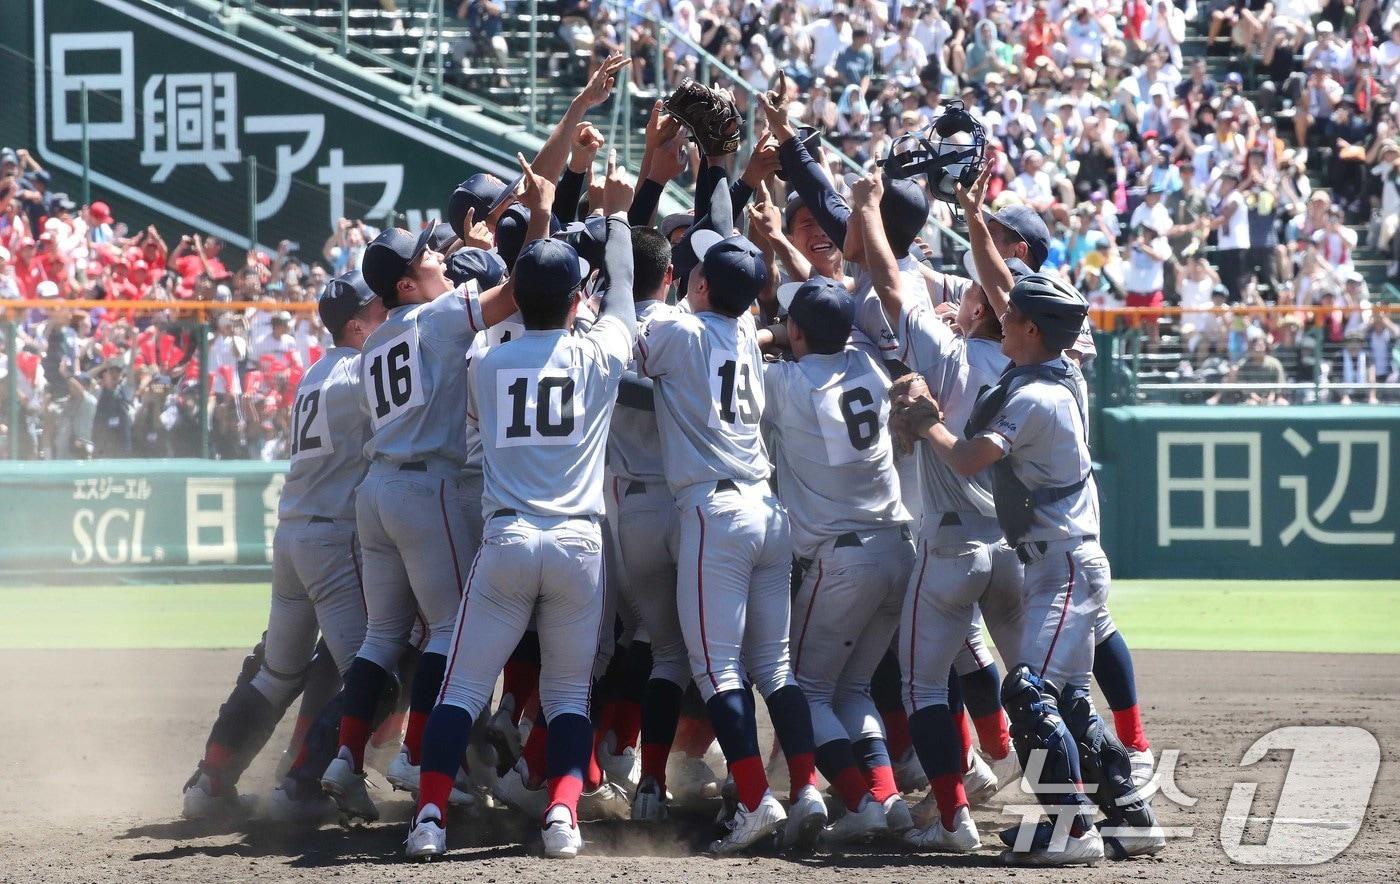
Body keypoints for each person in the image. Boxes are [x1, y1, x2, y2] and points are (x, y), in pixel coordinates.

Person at [404, 159, 637, 862]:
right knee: (568, 696)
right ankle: (562, 817)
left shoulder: (486, 362)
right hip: (578, 544)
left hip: (506, 539)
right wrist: (619, 217)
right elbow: (622, 298)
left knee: (463, 690)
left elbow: (509, 317)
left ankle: (430, 820)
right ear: (575, 299)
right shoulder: (597, 357)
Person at [893, 271, 1164, 865]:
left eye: (1011, 313)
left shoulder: (1038, 394)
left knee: (1030, 690)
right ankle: (1129, 813)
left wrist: (924, 421)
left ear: (1033, 329)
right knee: (1064, 698)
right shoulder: (1046, 375)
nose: (1002, 315)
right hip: (1055, 562)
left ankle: (1070, 827)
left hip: (1062, 563)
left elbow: (967, 459)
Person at [319, 162, 525, 825]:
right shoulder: (434, 319)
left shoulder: (376, 337)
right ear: (407, 283)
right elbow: (523, 293)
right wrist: (512, 241)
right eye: (427, 255)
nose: (438, 255)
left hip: (377, 492)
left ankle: (346, 759)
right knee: (448, 629)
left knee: (382, 637)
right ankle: (415, 755)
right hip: (424, 487)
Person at [635, 167, 823, 852]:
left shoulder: (681, 332)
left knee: (716, 670)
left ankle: (754, 802)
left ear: (704, 284)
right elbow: (728, 273)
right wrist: (724, 175)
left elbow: (628, 324)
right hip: (769, 511)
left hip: (715, 514)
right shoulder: (746, 331)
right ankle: (803, 789)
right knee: (775, 670)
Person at [851, 169, 1024, 854]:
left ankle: (953, 818)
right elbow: (1008, 293)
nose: (960, 299)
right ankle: (1083, 806)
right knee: (1038, 684)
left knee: (924, 686)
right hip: (1012, 550)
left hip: (950, 547)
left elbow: (892, 287)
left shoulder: (947, 353)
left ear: (978, 314)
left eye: (970, 297)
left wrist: (866, 210)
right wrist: (975, 218)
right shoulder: (1038, 369)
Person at [181, 271, 388, 821]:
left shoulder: (316, 372)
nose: (386, 312)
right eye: (376, 309)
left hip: (293, 533)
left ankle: (210, 784)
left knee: (277, 673)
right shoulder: (361, 373)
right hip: (331, 537)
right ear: (354, 325)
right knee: (367, 674)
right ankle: (300, 787)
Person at [757, 275, 917, 844]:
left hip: (842, 559)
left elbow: (737, 356)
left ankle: (857, 800)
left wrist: (772, 330)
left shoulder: (788, 382)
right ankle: (889, 799)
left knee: (805, 688)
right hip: (899, 549)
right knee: (853, 691)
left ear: (796, 330)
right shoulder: (870, 367)